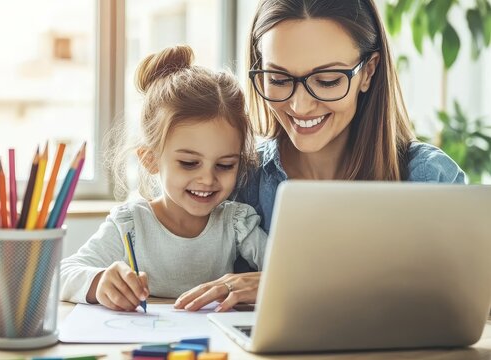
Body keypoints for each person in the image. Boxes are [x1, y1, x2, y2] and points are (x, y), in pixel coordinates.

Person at [174, 0, 466, 312]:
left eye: (327, 81)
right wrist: (116, 275)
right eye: (279, 79)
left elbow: (456, 299)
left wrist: (286, 284)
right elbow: (164, 243)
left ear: (368, 71)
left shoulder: (430, 179)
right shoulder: (239, 177)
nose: (300, 107)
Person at [60, 45, 267, 312]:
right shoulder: (131, 223)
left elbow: (288, 273)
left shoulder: (237, 222)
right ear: (150, 159)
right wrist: (99, 281)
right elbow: (64, 273)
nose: (207, 179)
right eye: (189, 163)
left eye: (225, 165)